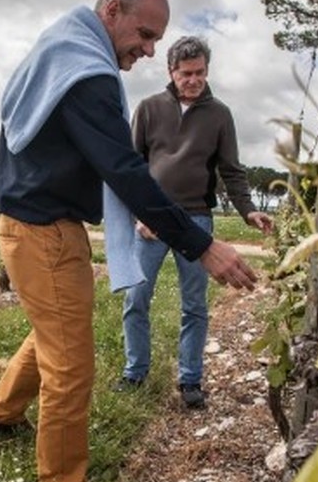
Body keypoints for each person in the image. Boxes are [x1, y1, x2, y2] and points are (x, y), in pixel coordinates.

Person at [0, 0, 257, 482]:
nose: (150, 49)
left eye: (158, 41)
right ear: (112, 9)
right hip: (42, 230)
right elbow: (127, 171)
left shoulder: (65, 45)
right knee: (72, 364)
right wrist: (202, 245)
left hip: (39, 223)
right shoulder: (89, 76)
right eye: (146, 34)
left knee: (57, 331)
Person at [115, 36, 273, 409]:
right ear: (172, 71)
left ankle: (190, 381)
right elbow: (131, 165)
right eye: (186, 73)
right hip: (152, 222)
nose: (193, 79)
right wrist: (139, 214)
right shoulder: (149, 108)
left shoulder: (220, 115)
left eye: (200, 72)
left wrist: (248, 209)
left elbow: (232, 171)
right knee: (136, 298)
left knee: (195, 305)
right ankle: (135, 372)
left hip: (197, 220)